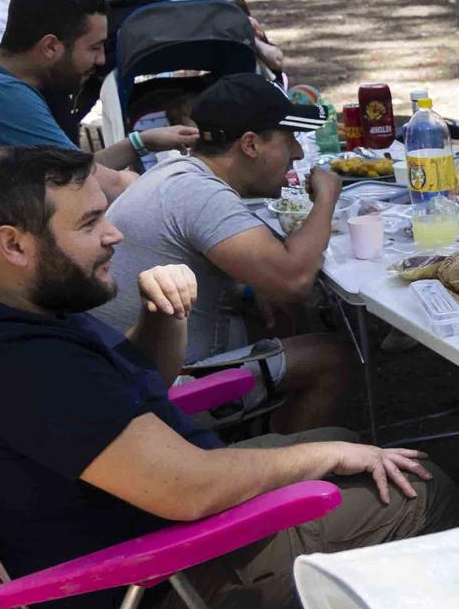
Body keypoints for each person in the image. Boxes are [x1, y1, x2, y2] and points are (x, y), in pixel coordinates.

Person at [0, 144, 453, 609]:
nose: (114, 235)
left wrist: (162, 316)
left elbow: (129, 392)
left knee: (364, 450)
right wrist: (326, 458)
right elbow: (189, 490)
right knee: (417, 488)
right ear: (13, 245)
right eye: (88, 225)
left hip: (145, 542)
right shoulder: (19, 363)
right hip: (147, 592)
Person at [91, 74, 350, 433]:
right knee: (332, 356)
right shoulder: (200, 194)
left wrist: (253, 286)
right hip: (152, 393)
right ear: (250, 144)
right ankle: (285, 471)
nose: (299, 152)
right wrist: (326, 198)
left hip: (119, 368)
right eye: (289, 138)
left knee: (281, 311)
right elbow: (295, 279)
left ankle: (262, 432)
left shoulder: (177, 173)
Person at [0, 0, 197, 241]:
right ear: (51, 46)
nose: (101, 60)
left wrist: (140, 142)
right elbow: (102, 185)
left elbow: (69, 168)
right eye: (95, 48)